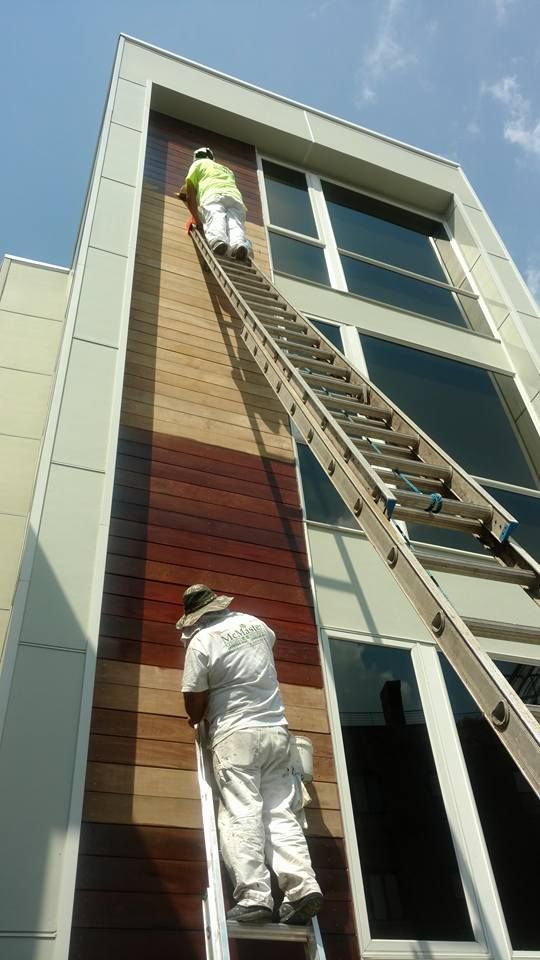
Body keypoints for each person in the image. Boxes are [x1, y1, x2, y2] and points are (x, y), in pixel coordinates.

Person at [178, 583, 323, 926]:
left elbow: (194, 699)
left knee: (242, 812)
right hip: (276, 732)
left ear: (196, 617)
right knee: (279, 814)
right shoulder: (257, 624)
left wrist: (194, 718)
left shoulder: (202, 641)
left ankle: (255, 897)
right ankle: (302, 889)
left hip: (236, 735)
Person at [176, 147, 250, 260]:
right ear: (212, 158)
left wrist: (197, 219)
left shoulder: (198, 164)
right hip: (236, 198)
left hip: (213, 194)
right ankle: (238, 245)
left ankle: (218, 241)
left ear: (195, 158)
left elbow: (190, 195)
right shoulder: (226, 169)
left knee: (215, 217)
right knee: (235, 224)